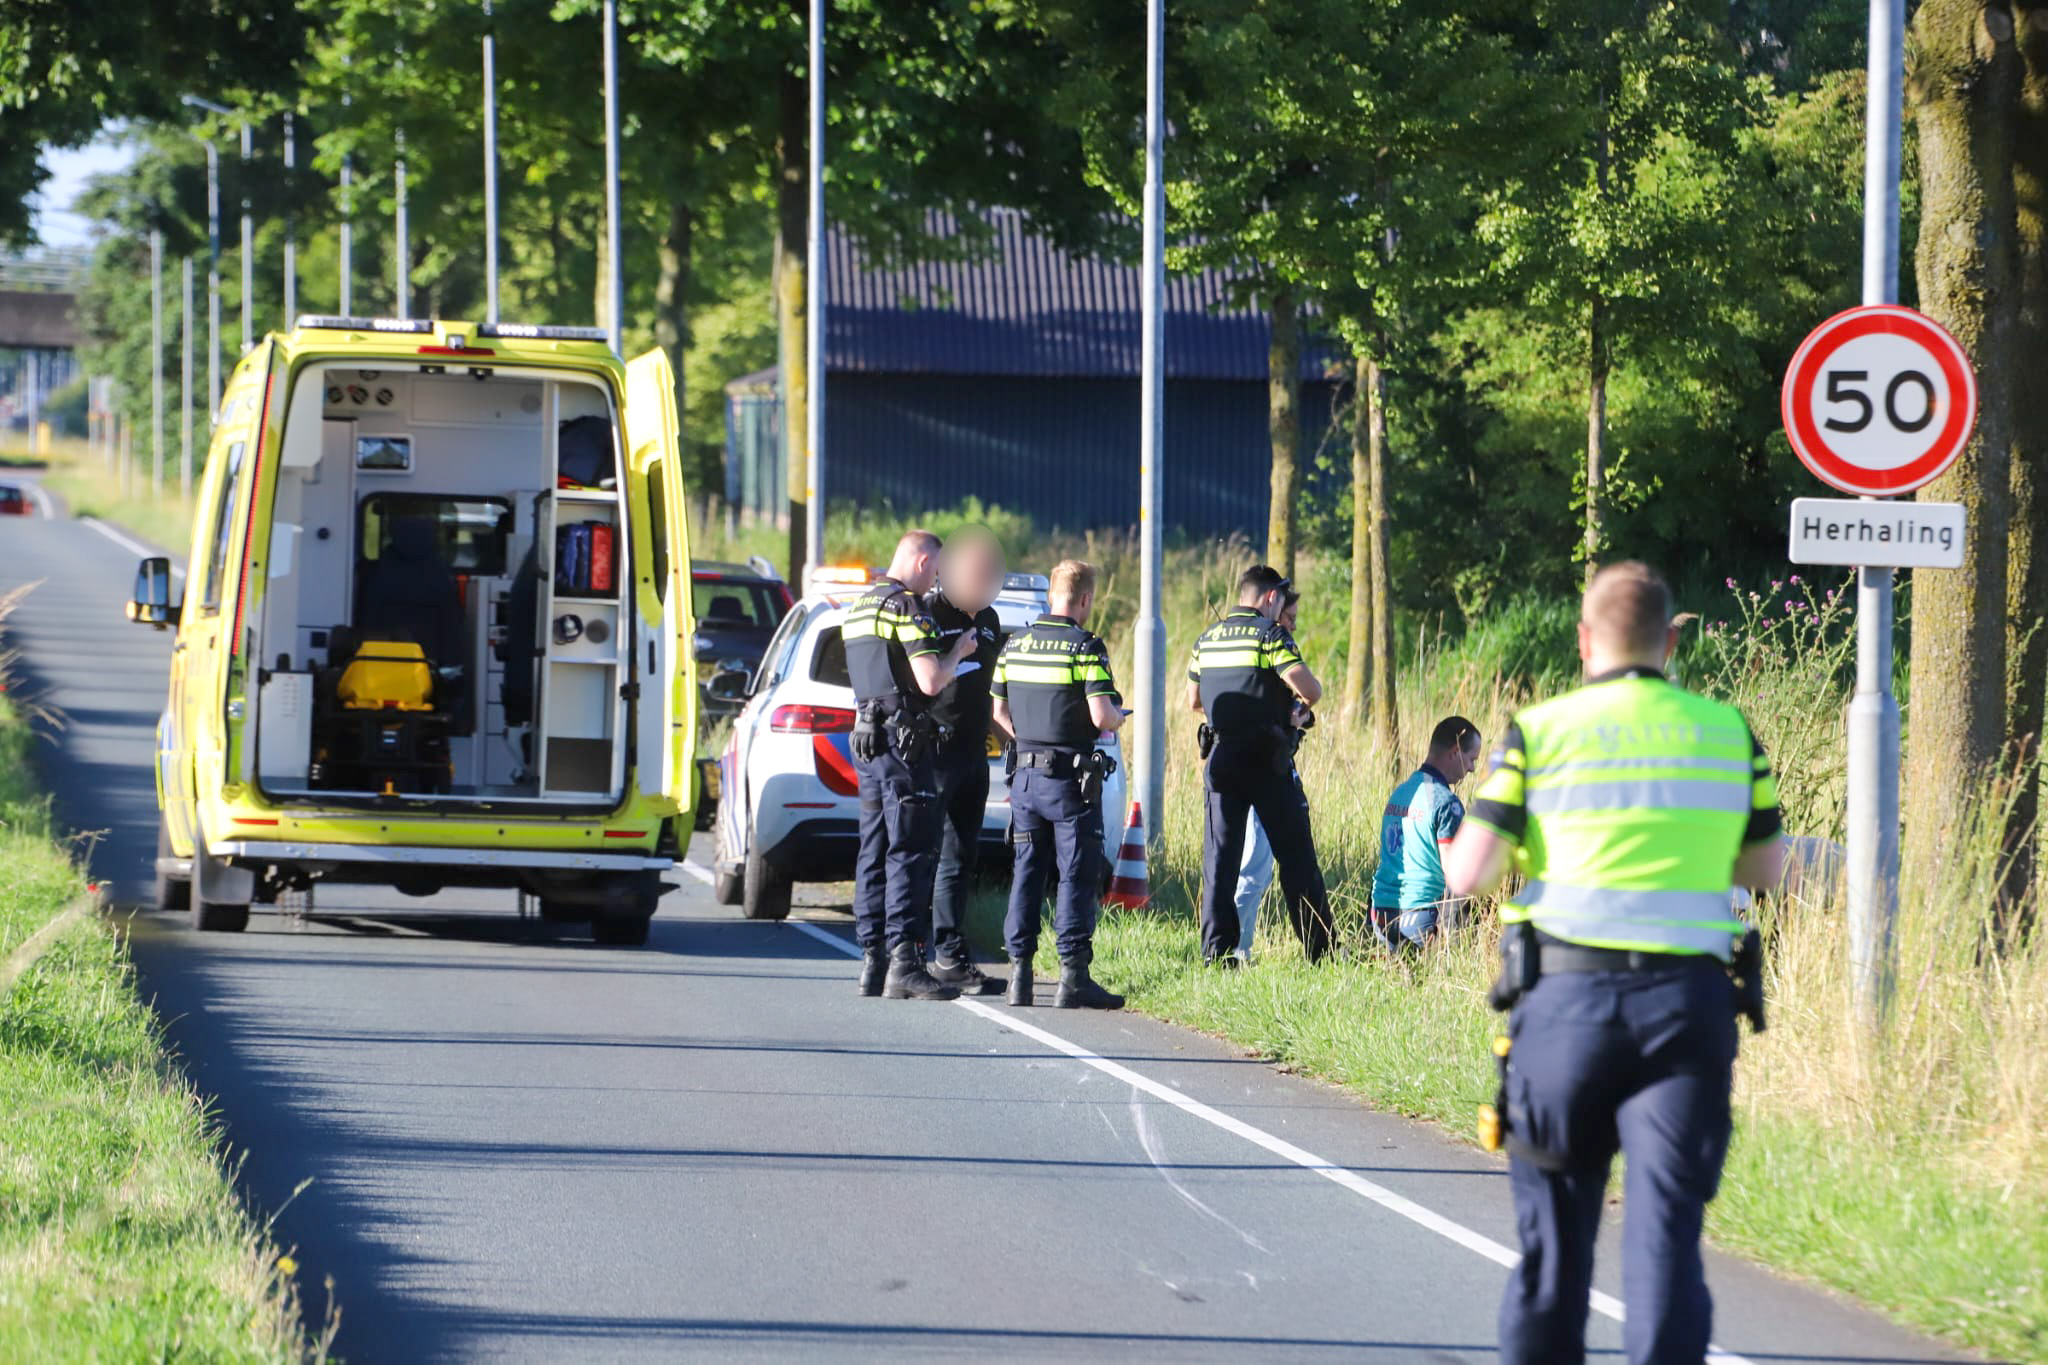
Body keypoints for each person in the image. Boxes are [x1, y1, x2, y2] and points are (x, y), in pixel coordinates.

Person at [1443, 561, 1784, 1365]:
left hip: (1564, 1010)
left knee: (1553, 1252)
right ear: (1671, 640)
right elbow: (1767, 873)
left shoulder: (1541, 730)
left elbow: (1470, 875)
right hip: (1687, 1010)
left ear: (1585, 640)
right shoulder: (1728, 732)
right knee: (1666, 1232)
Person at [844, 530, 981, 1001]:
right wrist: (957, 653)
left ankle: (872, 961)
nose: (936, 580)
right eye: (937, 570)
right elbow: (929, 680)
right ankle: (905, 961)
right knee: (910, 850)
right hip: (904, 744)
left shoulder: (859, 607)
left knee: (873, 847)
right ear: (924, 563)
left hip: (868, 739)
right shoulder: (906, 607)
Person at [991, 559, 1126, 1009]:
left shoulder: (1015, 645)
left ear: (1052, 594)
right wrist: (1118, 718)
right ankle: (1072, 977)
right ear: (1085, 599)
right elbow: (1101, 716)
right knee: (1074, 873)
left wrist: (1029, 742)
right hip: (1070, 783)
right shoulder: (1085, 647)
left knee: (1027, 871)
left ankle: (1019, 976)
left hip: (1025, 779)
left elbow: (998, 713)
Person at [1187, 565, 1333, 965]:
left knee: (1220, 862)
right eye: (1282, 602)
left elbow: (1194, 701)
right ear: (1271, 598)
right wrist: (1290, 707)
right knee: (1297, 858)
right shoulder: (1271, 635)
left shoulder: (1207, 639)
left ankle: (1215, 954)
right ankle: (1320, 954)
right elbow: (1311, 689)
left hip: (1220, 762)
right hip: (1266, 760)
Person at [923, 527, 1009, 995]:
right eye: (974, 571)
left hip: (974, 755)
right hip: (934, 753)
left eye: (988, 572)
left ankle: (951, 957)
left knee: (960, 858)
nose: (982, 579)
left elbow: (995, 692)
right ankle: (910, 950)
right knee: (923, 855)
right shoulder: (929, 614)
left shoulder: (993, 619)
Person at [1228, 588, 1301, 961]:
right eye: (1289, 619)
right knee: (1253, 868)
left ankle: (1234, 948)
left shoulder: (1256, 655)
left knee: (1254, 866)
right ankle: (1237, 951)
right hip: (1260, 772)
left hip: (1255, 768)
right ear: (1272, 607)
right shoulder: (1267, 652)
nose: (1292, 627)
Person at [1370, 715, 1483, 954]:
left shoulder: (1401, 793)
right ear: (1454, 752)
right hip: (1419, 918)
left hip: (1380, 914)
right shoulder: (1445, 802)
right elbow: (1454, 872)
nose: (1472, 768)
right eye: (1472, 758)